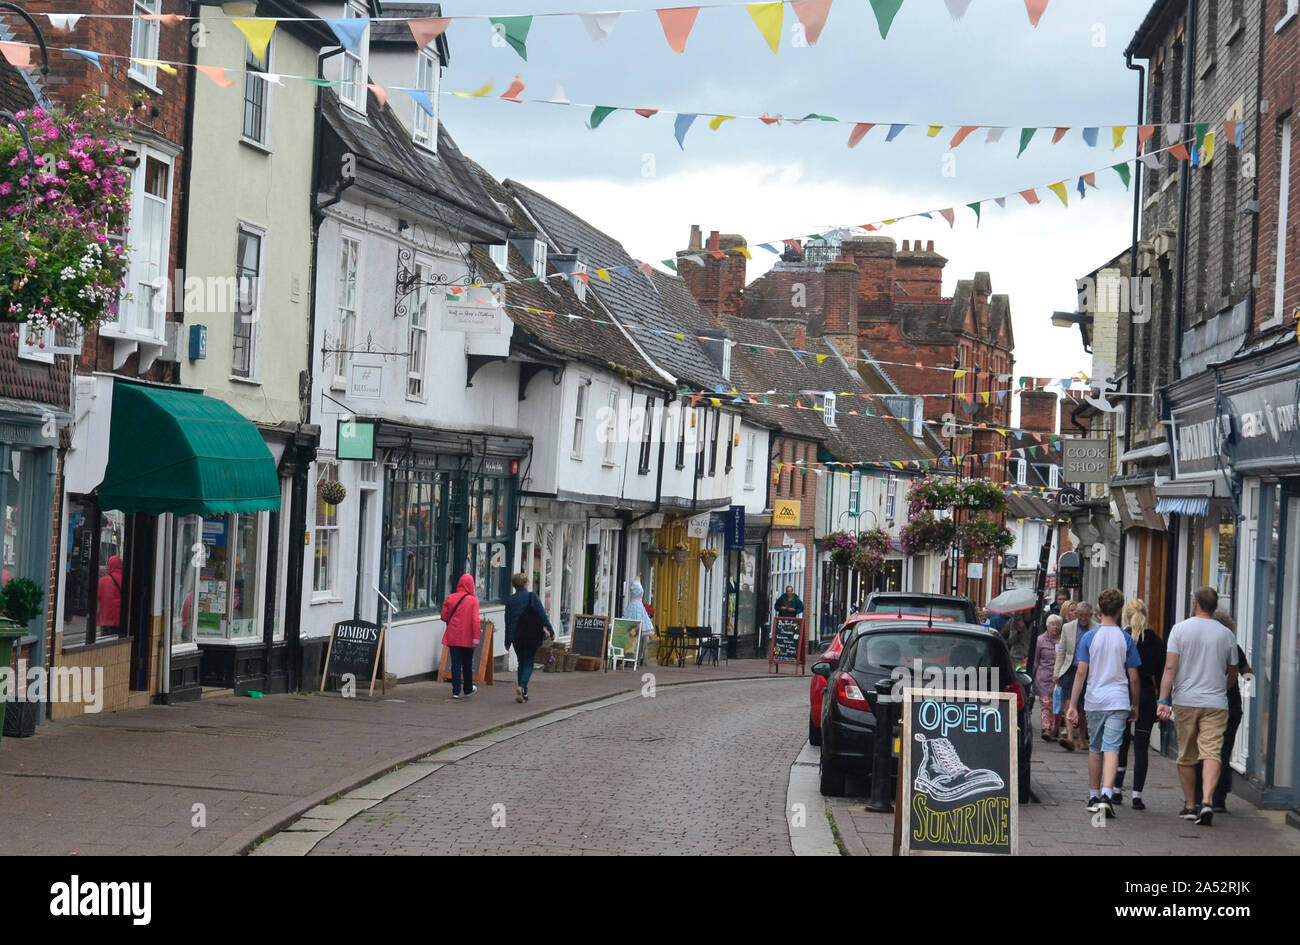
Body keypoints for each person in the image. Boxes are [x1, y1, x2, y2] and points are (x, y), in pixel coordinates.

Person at [1157, 586, 1238, 826]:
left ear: (1195, 604)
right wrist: (1222, 688)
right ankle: (1208, 801)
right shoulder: (1226, 635)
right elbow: (1233, 671)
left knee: (1187, 754)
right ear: (1215, 607)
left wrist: (1163, 700)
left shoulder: (1179, 630)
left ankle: (1190, 805)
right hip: (1216, 702)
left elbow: (1170, 668)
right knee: (1212, 751)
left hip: (1186, 700)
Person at [1066, 588, 1141, 818]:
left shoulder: (1089, 638)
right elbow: (1134, 677)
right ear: (1120, 611)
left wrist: (1072, 705)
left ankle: (1093, 795)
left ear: (1099, 610)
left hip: (1095, 701)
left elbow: (1080, 674)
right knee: (1113, 749)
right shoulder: (1126, 639)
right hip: (1119, 700)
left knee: (1096, 749)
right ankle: (1108, 794)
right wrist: (1135, 704)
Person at [1113, 598, 1164, 809]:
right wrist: (1163, 700)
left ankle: (1116, 790)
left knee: (1121, 743)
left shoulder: (1121, 638)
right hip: (1146, 695)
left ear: (1126, 615)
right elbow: (1162, 674)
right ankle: (1137, 796)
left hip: (1123, 694)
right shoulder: (1156, 641)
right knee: (1142, 747)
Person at [1208, 609, 1251, 814]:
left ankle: (1203, 796)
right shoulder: (1234, 646)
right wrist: (1248, 694)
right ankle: (1219, 799)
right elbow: (1248, 673)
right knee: (1224, 752)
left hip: (1209, 704)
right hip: (1231, 705)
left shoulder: (1207, 647)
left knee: (1207, 751)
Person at [504, 573, 554, 703]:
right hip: (531, 635)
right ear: (526, 583)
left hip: (516, 636)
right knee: (529, 663)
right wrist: (551, 630)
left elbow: (508, 622)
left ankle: (523, 692)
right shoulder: (532, 597)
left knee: (521, 662)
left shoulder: (510, 600)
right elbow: (543, 616)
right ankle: (522, 686)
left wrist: (507, 641)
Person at [1054, 600, 1094, 751]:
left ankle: (1082, 738)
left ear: (1091, 615)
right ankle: (1070, 737)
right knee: (1069, 704)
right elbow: (1062, 651)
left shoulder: (1096, 628)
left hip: (1088, 671)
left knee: (1083, 706)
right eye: (1080, 615)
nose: (1083, 618)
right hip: (1070, 669)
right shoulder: (1068, 627)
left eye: (1086, 615)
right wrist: (1056, 672)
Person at [440, 574, 482, 699]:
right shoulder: (473, 601)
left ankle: (455, 691)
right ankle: (468, 689)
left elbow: (443, 616)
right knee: (467, 663)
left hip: (453, 636)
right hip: (468, 637)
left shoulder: (450, 598)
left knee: (455, 663)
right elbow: (476, 620)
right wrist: (476, 637)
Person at [1033, 614, 1063, 741]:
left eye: (1057, 624)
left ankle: (1054, 730)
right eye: (1052, 624)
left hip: (1058, 678)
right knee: (1046, 704)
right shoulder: (1040, 640)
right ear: (1047, 625)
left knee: (1057, 705)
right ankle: (1046, 729)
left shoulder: (1062, 640)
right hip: (1043, 677)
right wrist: (1032, 677)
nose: (1054, 627)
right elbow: (1035, 660)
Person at [623, 579, 656, 664]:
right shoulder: (634, 583)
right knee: (631, 635)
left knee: (637, 637)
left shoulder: (638, 582)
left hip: (639, 608)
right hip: (634, 608)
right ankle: (629, 658)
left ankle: (635, 658)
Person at [97, 555, 124, 636]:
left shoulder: (102, 581)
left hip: (107, 619)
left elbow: (98, 598)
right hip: (121, 619)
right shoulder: (127, 580)